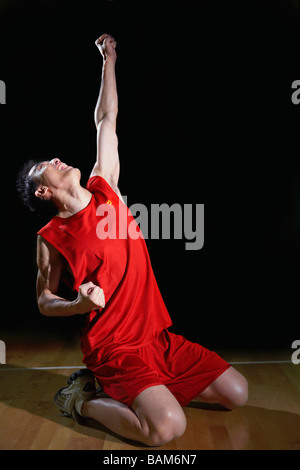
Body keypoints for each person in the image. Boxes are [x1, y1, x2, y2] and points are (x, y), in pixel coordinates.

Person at [16, 34, 248, 447]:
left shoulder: (105, 185)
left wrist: (110, 61)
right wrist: (79, 305)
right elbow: (43, 301)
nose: (53, 160)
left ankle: (148, 393)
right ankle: (81, 400)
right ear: (42, 193)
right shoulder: (51, 237)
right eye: (42, 167)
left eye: (50, 158)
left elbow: (107, 118)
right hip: (115, 348)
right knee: (166, 429)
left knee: (237, 394)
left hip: (156, 338)